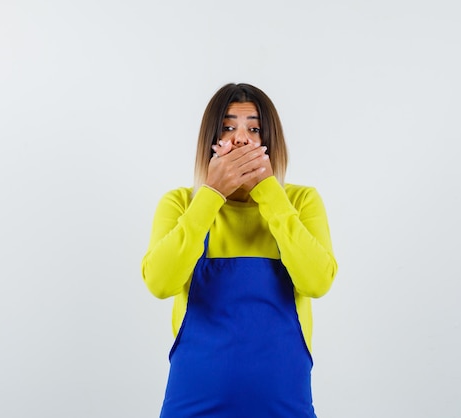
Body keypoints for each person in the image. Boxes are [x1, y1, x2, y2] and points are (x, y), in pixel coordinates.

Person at [141, 82, 338, 417]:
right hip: (193, 404)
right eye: (228, 127)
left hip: (284, 405)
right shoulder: (179, 204)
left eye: (254, 129)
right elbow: (160, 283)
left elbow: (317, 282)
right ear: (210, 143)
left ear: (269, 142)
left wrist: (269, 192)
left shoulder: (301, 202)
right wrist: (211, 194)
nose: (241, 138)